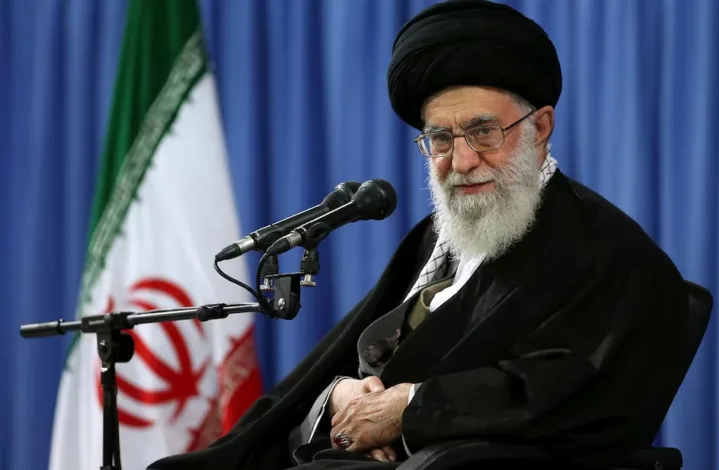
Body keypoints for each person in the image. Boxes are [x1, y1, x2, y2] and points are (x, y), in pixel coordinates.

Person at [148, 1, 691, 469]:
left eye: (483, 131)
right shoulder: (440, 235)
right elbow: (341, 365)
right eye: (439, 139)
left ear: (540, 127)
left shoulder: (605, 253)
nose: (462, 160)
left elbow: (577, 399)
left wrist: (408, 413)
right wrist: (341, 399)